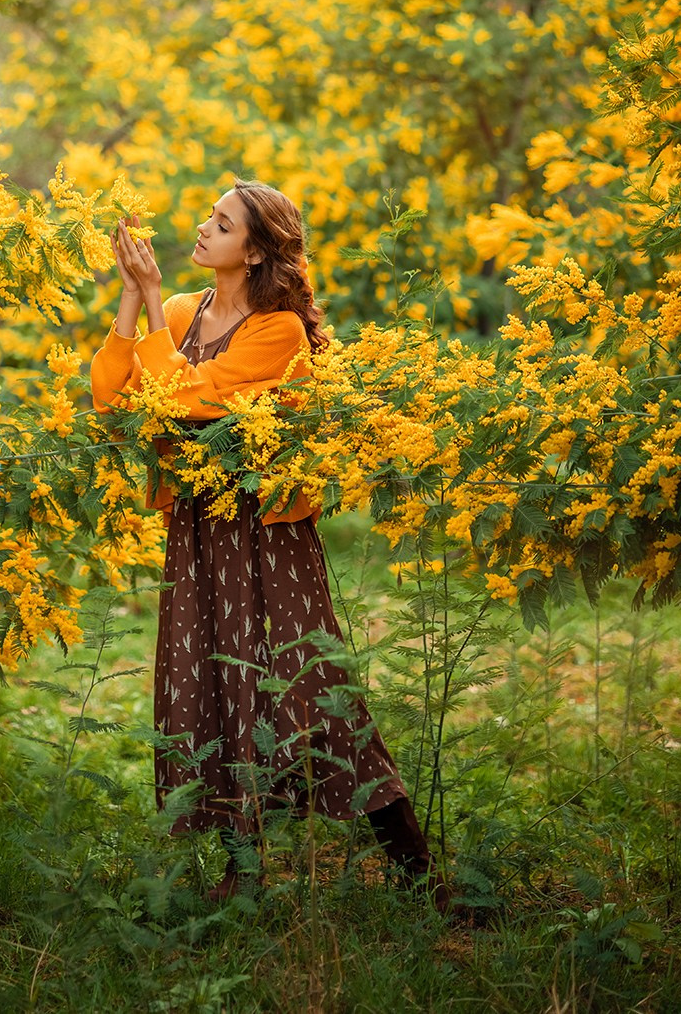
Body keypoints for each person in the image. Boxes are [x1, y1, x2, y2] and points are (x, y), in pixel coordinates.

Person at [91, 178, 447, 907]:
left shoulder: (277, 329)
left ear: (253, 252)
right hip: (198, 527)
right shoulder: (185, 312)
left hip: (267, 533)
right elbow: (113, 397)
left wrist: (154, 304)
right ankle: (239, 873)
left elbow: (187, 397)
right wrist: (134, 295)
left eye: (219, 224)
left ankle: (420, 873)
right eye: (206, 216)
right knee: (216, 689)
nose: (200, 228)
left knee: (314, 689)